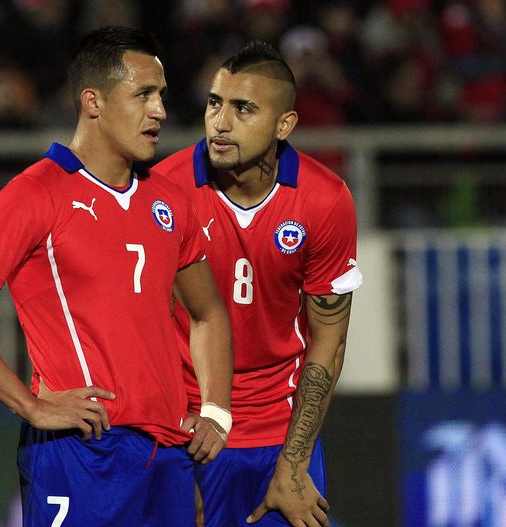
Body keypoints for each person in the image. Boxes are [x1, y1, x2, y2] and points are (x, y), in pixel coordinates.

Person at [0, 26, 233, 527]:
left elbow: (209, 312)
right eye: (143, 95)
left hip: (168, 454)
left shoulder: (170, 201)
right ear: (93, 101)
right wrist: (30, 406)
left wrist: (217, 412)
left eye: (162, 96)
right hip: (83, 451)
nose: (159, 110)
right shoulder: (37, 193)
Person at [153, 41, 363, 527]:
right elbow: (141, 332)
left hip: (280, 441)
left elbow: (327, 343)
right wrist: (169, 451)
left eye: (243, 109)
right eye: (214, 103)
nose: (221, 123)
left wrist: (292, 467)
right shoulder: (164, 191)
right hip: (189, 433)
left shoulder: (325, 201)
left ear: (283, 125)